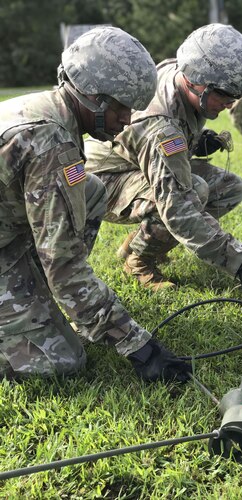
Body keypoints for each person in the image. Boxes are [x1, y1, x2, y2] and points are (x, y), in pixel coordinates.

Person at [0, 26, 191, 382]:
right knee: (60, 361)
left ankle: (41, 300)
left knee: (89, 190)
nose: (127, 120)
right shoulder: (49, 143)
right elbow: (64, 262)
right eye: (121, 108)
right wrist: (139, 347)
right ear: (92, 97)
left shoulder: (50, 111)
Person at [84, 24, 242, 300]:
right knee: (191, 192)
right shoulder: (162, 129)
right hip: (103, 180)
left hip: (136, 162)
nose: (230, 104)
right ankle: (138, 263)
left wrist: (198, 141)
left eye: (234, 97)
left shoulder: (183, 70)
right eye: (223, 94)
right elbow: (177, 206)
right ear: (194, 81)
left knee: (228, 187)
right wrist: (241, 263)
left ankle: (139, 244)